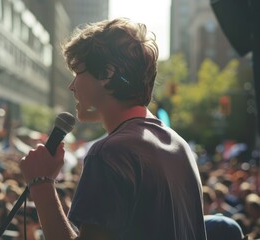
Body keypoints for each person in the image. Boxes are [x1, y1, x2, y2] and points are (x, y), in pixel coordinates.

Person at [19, 18, 207, 239]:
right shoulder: (179, 146)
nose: (72, 86)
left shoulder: (110, 153)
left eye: (78, 73)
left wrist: (41, 184)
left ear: (107, 74)